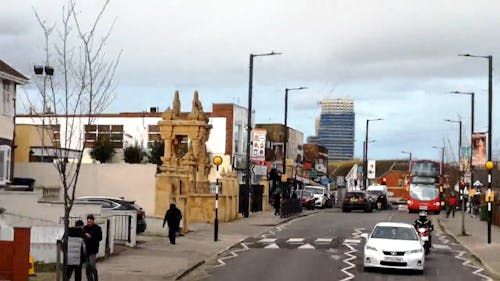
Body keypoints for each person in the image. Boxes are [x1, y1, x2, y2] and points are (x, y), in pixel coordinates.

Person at [83, 214, 102, 281]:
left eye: (90, 221)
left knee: (92, 265)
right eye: (88, 221)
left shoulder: (97, 228)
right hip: (86, 249)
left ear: (93, 221)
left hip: (93, 249)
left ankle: (95, 278)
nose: (89, 223)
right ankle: (90, 279)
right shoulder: (84, 228)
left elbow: (100, 238)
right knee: (87, 267)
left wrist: (91, 236)